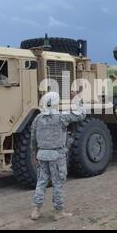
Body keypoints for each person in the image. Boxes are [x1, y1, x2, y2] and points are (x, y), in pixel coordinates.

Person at [30, 91, 86, 221]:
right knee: (58, 183)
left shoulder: (37, 119)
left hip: (42, 154)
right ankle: (58, 212)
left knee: (41, 181)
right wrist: (76, 99)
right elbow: (82, 114)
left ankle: (36, 210)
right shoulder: (62, 118)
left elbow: (33, 139)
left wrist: (35, 153)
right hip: (57, 155)